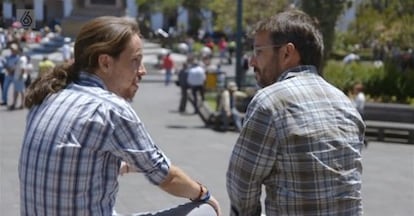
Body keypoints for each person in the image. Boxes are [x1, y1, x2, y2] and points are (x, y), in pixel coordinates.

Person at [19, 16, 221, 216]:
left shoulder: (50, 96)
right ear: (105, 63)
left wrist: (124, 166)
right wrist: (203, 193)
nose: (142, 71)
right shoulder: (109, 109)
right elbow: (168, 178)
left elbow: (68, 166)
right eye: (135, 61)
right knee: (205, 211)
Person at [226, 9, 364, 216]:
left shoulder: (270, 102)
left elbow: (242, 182)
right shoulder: (346, 104)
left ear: (287, 53)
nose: (252, 62)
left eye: (258, 52)